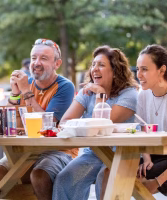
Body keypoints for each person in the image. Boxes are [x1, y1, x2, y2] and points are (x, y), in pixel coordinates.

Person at [0, 38, 75, 200]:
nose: (36, 62)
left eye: (44, 58)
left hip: (60, 151)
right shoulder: (24, 84)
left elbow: (48, 126)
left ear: (57, 64)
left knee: (40, 175)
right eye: (34, 58)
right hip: (27, 151)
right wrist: (14, 94)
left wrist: (26, 92)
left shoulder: (65, 86)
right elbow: (4, 123)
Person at [52, 45, 139, 200]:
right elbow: (64, 122)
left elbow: (101, 124)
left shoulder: (130, 94)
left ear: (115, 71)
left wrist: (100, 93)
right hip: (93, 153)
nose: (95, 69)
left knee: (104, 177)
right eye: (93, 64)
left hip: (121, 153)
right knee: (64, 179)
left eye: (101, 65)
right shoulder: (87, 92)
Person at [136, 45, 167, 196]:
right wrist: (146, 157)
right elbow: (143, 130)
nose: (139, 75)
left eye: (144, 69)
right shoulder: (143, 95)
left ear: (161, 70)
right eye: (138, 69)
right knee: (109, 172)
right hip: (154, 155)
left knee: (128, 178)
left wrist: (158, 182)